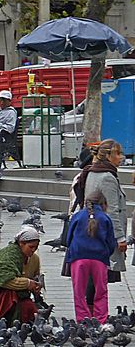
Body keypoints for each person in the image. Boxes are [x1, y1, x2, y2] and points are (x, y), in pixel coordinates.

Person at [75, 138, 128, 282]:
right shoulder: (107, 177)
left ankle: (90, 303)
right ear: (108, 156)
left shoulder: (93, 172)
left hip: (94, 228)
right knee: (100, 274)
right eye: (118, 153)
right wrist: (120, 237)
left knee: (96, 273)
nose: (121, 157)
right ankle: (93, 304)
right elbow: (112, 209)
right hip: (104, 232)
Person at [64, 189, 117, 324]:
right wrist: (105, 254)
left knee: (79, 292)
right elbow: (111, 242)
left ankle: (83, 321)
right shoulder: (105, 218)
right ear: (103, 203)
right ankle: (101, 320)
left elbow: (68, 239)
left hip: (79, 257)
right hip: (99, 258)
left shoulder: (77, 216)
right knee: (101, 291)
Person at [0, 227, 44, 324]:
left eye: (36, 247)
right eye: (31, 247)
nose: (33, 250)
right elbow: (3, 280)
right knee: (8, 296)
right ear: (21, 243)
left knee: (30, 310)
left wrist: (36, 286)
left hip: (21, 294)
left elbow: (35, 276)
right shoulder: (8, 255)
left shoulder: (34, 259)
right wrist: (27, 283)